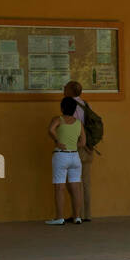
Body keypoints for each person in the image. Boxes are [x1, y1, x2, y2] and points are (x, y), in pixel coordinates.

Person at [45, 96, 85, 225]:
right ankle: (77, 217)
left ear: (62, 108)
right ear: (74, 109)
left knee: (59, 187)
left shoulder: (58, 119)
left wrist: (57, 141)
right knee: (76, 188)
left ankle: (59, 217)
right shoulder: (79, 123)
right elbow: (83, 142)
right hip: (75, 157)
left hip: (61, 155)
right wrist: (73, 145)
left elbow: (51, 129)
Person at [63, 80, 93, 221]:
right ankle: (87, 214)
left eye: (66, 87)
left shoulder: (70, 105)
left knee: (75, 182)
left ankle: (77, 215)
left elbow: (72, 127)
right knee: (86, 182)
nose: (63, 89)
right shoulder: (86, 104)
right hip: (88, 147)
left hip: (76, 147)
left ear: (70, 91)